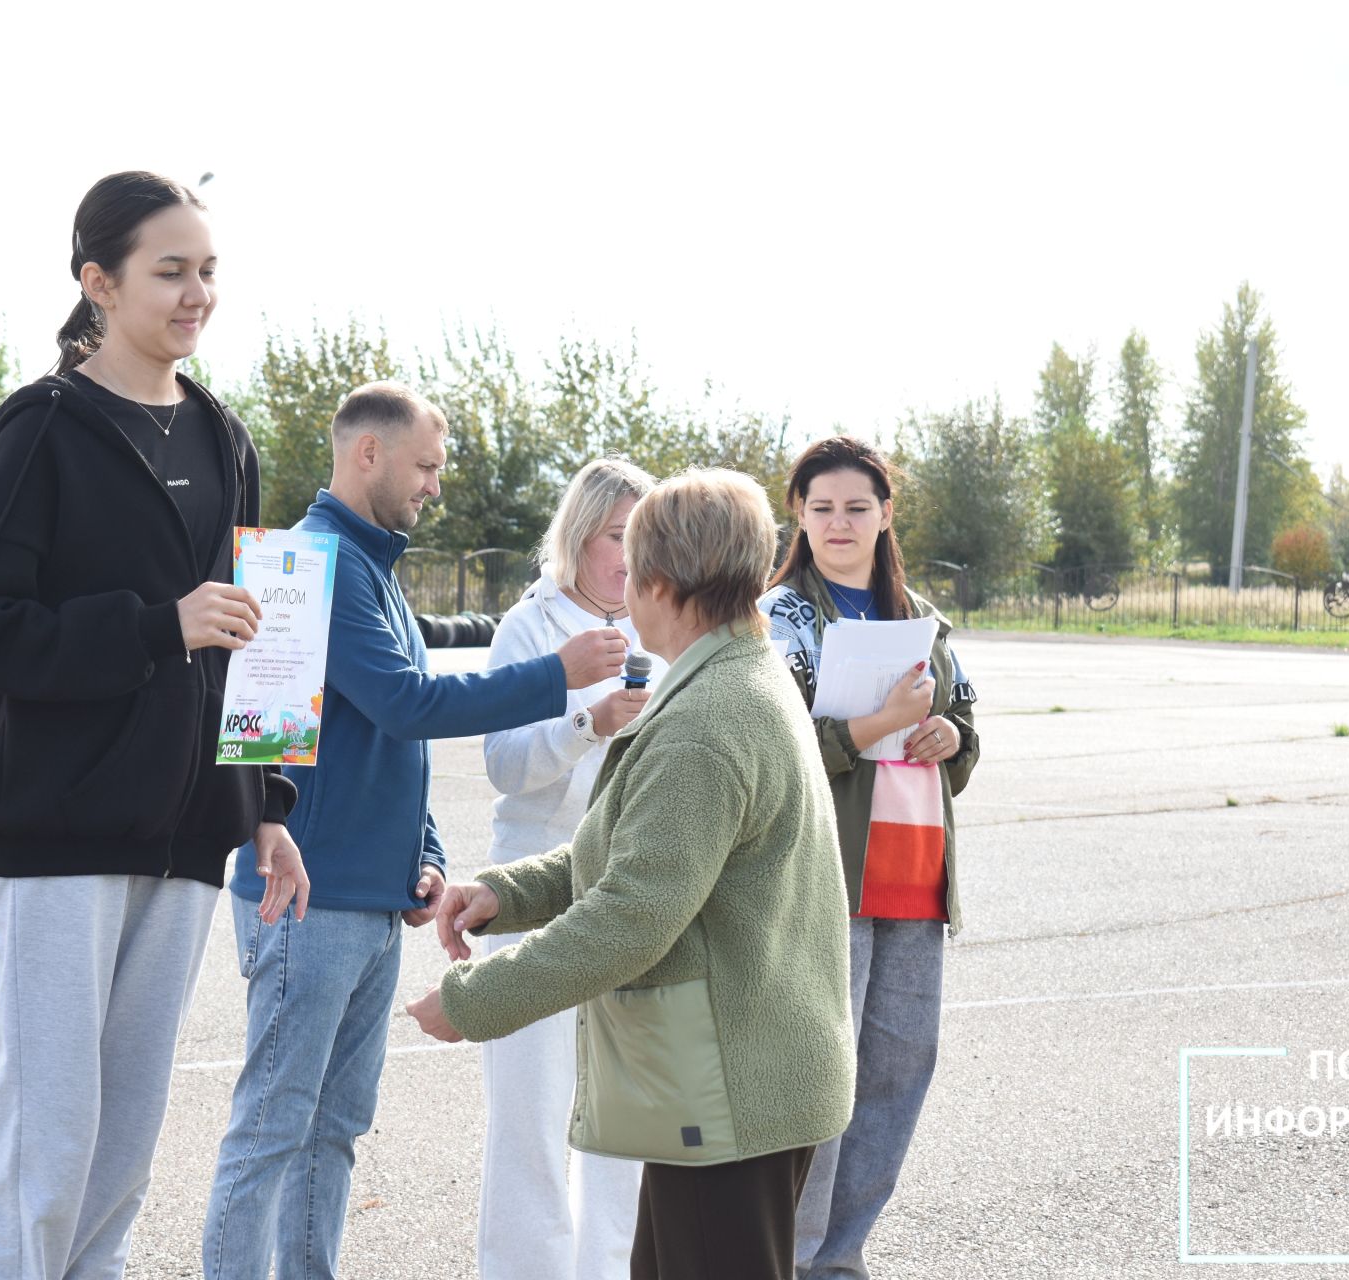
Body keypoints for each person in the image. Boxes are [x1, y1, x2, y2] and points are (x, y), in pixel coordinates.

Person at [0, 170, 310, 1280]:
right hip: (61, 829)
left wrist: (268, 805)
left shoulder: (225, 436)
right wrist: (157, 624)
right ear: (98, 282)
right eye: (171, 270)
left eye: (208, 271)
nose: (197, 293)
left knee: (124, 1149)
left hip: (190, 832)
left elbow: (250, 637)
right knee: (49, 1136)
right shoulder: (42, 431)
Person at [201, 382, 629, 1280]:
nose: (435, 486)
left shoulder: (370, 568)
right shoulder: (308, 562)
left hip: (368, 899)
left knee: (335, 1128)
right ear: (369, 454)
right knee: (276, 1126)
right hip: (304, 899)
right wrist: (555, 677)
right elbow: (405, 704)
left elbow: (378, 746)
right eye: (426, 466)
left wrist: (424, 853)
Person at [408, 468, 857, 1280]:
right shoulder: (737, 676)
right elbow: (629, 854)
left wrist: (475, 999)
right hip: (734, 1081)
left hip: (731, 1094)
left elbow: (631, 916)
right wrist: (508, 894)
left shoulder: (707, 719)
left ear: (657, 583)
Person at [757, 435, 980, 1280]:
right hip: (828, 881)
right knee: (823, 1085)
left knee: (895, 1080)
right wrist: (880, 725)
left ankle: (841, 1260)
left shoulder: (920, 617)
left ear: (886, 516)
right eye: (822, 509)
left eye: (857, 507)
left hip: (915, 879)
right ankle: (793, 1256)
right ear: (799, 517)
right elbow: (775, 751)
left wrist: (948, 734)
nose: (839, 523)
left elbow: (968, 739)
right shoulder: (781, 617)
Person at [473, 456, 656, 1280]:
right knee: (533, 1122)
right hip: (533, 896)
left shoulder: (661, 628)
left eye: (644, 537)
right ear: (579, 536)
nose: (631, 553)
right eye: (618, 535)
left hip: (627, 899)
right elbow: (507, 768)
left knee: (625, 1125)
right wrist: (588, 721)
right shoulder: (529, 627)